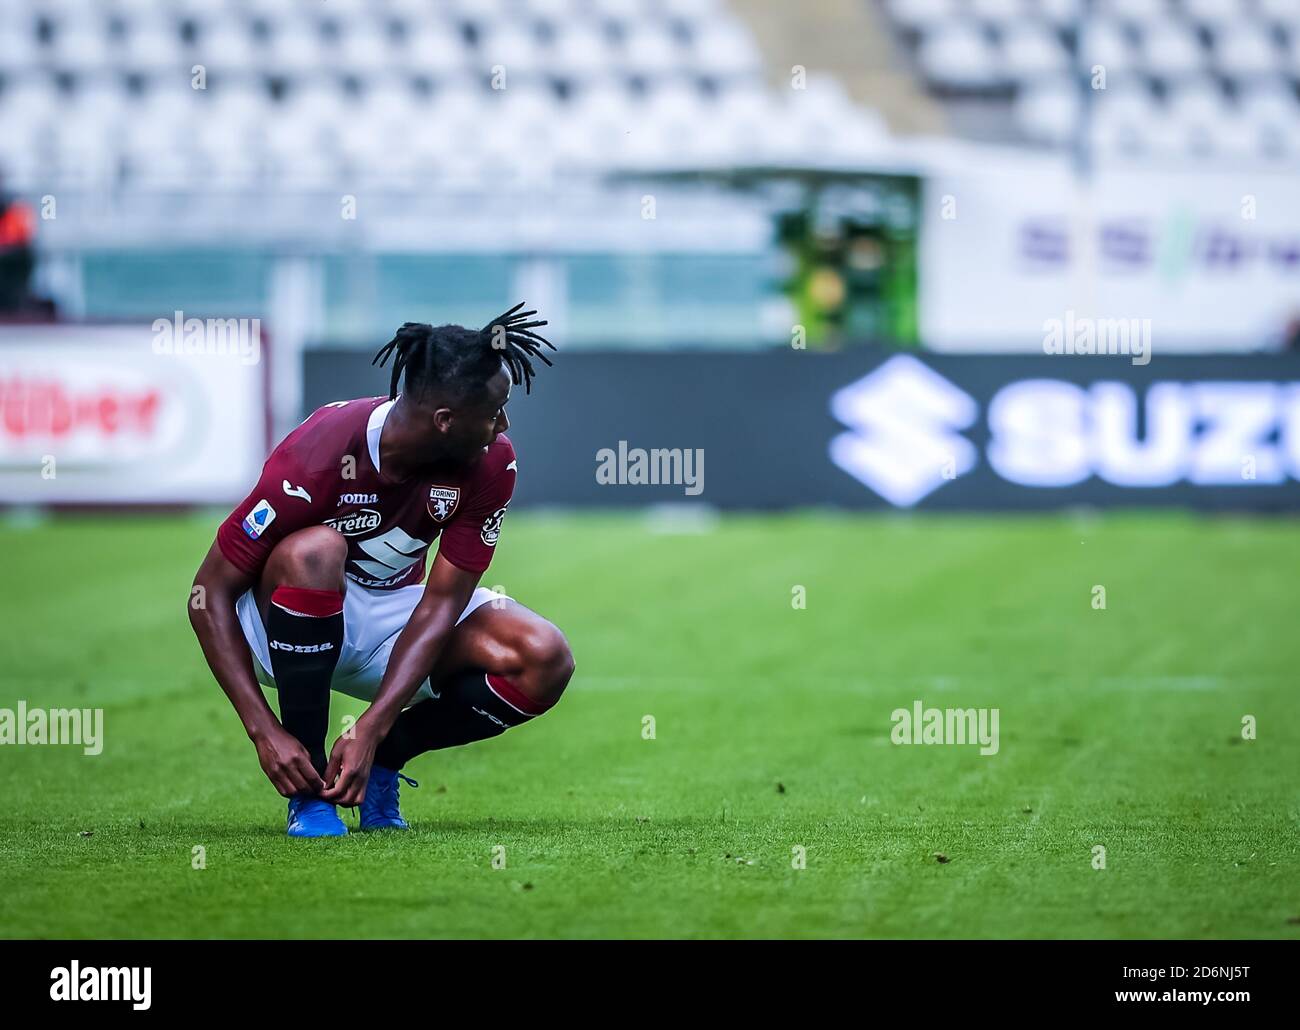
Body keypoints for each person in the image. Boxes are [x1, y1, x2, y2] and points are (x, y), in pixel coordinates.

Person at [188, 303, 574, 836]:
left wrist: (375, 726)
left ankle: (384, 762)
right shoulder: (319, 452)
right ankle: (309, 792)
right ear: (446, 421)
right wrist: (263, 730)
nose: (503, 425)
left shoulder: (492, 461)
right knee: (315, 552)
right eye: (494, 412)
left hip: (397, 618)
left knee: (544, 656)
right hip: (285, 622)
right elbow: (207, 593)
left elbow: (443, 602)